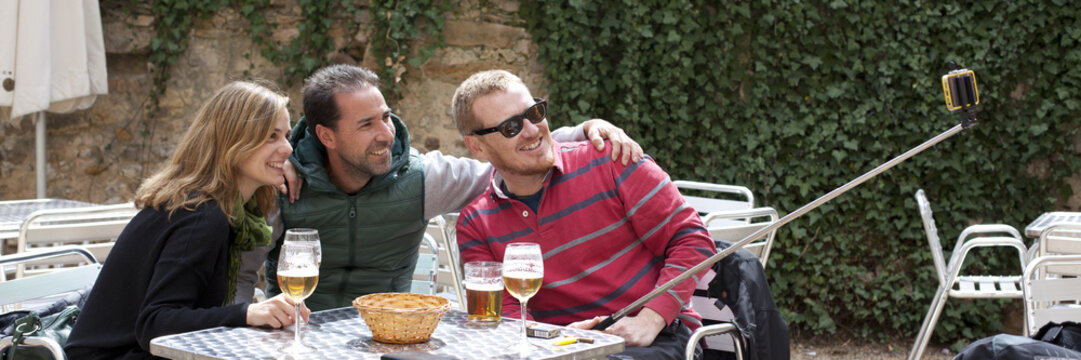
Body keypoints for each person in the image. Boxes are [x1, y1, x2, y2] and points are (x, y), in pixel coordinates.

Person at [264, 64, 644, 310]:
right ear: (326, 136)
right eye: (366, 125)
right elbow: (243, 275)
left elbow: (506, 154)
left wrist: (583, 130)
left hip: (382, 340)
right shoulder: (281, 183)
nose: (385, 133)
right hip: (294, 338)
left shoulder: (424, 178)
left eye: (385, 117)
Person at [451, 70, 715, 360]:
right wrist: (559, 338)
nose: (532, 130)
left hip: (651, 338)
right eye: (511, 127)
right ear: (477, 146)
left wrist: (651, 319)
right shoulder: (475, 223)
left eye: (535, 113)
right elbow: (511, 323)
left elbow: (692, 240)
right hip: (557, 349)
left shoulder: (612, 161)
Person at [65, 81, 309, 359]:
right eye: (271, 137)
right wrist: (247, 313)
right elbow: (155, 324)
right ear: (233, 142)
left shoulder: (222, 208)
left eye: (287, 136)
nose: (288, 149)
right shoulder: (201, 217)